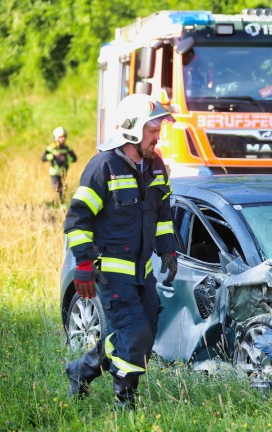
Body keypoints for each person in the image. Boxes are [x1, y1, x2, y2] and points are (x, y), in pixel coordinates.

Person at [63, 94, 179, 409]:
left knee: (143, 334)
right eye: (153, 131)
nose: (158, 137)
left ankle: (81, 370)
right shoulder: (103, 166)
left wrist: (168, 250)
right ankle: (124, 401)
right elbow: (77, 220)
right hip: (111, 274)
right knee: (137, 334)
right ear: (131, 129)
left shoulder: (156, 165)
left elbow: (163, 212)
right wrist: (83, 264)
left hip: (143, 272)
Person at [42, 126, 77, 202]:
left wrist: (66, 158)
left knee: (64, 188)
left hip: (64, 172)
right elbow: (43, 158)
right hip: (55, 172)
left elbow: (74, 158)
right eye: (61, 137)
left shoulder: (67, 148)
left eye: (64, 137)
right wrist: (54, 156)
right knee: (57, 188)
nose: (63, 139)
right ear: (56, 137)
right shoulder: (51, 148)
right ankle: (56, 202)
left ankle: (62, 202)